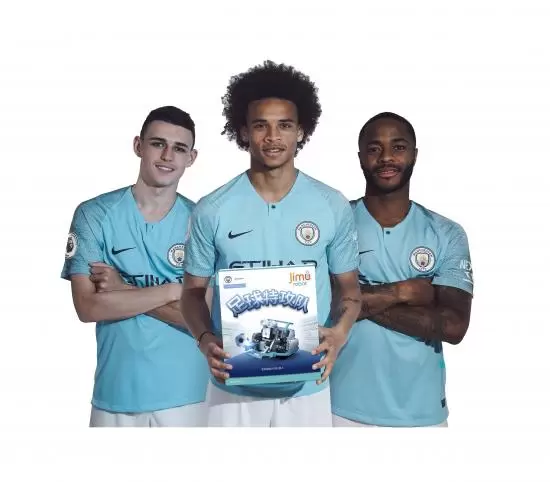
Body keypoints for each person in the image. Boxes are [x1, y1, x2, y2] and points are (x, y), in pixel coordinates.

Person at [180, 60, 361, 427]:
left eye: (285, 125)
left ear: (301, 131)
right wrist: (204, 339)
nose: (273, 137)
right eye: (261, 125)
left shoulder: (331, 205)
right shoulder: (212, 209)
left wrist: (339, 334)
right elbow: (191, 294)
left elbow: (350, 290)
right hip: (232, 388)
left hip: (308, 386)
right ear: (243, 131)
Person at [61, 106, 210, 427]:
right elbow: (87, 307)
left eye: (179, 148)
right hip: (114, 396)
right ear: (138, 146)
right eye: (158, 144)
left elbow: (208, 321)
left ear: (192, 157)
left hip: (190, 398)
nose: (167, 156)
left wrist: (123, 289)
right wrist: (174, 291)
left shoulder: (204, 222)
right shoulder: (94, 214)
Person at [330, 112, 474, 427]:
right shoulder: (334, 224)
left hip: (422, 413)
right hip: (338, 407)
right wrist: (402, 292)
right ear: (360, 157)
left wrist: (356, 300)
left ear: (414, 155)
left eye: (398, 147)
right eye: (374, 149)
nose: (386, 157)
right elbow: (318, 304)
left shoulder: (446, 232)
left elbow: (454, 326)